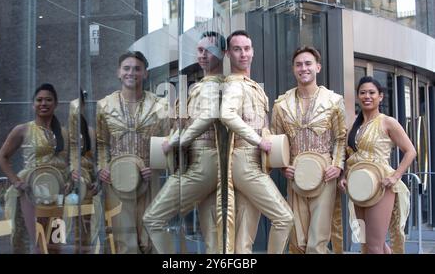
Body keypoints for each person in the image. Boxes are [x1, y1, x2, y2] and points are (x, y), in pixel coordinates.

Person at [143, 31, 226, 254]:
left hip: (203, 163)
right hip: (205, 161)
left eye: (209, 50)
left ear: (222, 53)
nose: (203, 55)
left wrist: (177, 141)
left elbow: (208, 115)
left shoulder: (212, 85)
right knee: (212, 235)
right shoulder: (206, 84)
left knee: (153, 218)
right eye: (199, 50)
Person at [220, 30, 294, 254]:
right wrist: (259, 141)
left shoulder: (252, 85)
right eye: (237, 49)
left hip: (254, 162)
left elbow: (264, 126)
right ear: (228, 54)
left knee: (244, 232)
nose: (243, 54)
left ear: (252, 51)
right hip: (245, 162)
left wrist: (275, 159)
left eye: (246, 48)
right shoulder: (234, 84)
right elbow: (226, 114)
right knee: (284, 218)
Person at [271, 46, 346, 254]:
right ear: (293, 69)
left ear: (318, 67)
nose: (303, 68)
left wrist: (337, 165)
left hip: (324, 175)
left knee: (317, 243)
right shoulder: (281, 104)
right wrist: (282, 167)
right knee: (298, 241)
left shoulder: (334, 101)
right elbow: (276, 140)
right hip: (295, 175)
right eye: (298, 64)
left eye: (308, 63)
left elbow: (341, 138)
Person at [96, 51, 170, 254]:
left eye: (137, 69)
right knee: (122, 239)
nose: (131, 73)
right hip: (116, 179)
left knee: (151, 237)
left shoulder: (160, 105)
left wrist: (155, 166)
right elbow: (102, 143)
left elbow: (166, 141)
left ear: (145, 73)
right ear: (118, 73)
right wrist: (102, 167)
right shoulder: (104, 106)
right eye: (126, 68)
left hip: (149, 176)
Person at [339, 76, 416, 254]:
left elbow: (410, 151)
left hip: (381, 186)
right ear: (358, 96)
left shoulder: (387, 122)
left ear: (380, 96)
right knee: (370, 244)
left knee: (374, 246)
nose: (367, 96)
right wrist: (343, 177)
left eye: (372, 93)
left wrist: (396, 176)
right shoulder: (354, 126)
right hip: (358, 188)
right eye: (363, 92)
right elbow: (352, 157)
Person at [0, 83, 68, 253]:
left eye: (48, 100)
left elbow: (70, 162)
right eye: (39, 100)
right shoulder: (23, 129)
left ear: (55, 104)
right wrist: (16, 181)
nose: (43, 103)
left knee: (55, 242)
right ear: (33, 104)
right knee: (39, 242)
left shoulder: (64, 132)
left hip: (57, 191)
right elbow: (2, 157)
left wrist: (70, 180)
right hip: (31, 190)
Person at [66, 89, 101, 252]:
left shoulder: (90, 132)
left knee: (85, 227)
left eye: (81, 102)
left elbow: (96, 159)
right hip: (70, 185)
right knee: (69, 230)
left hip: (87, 184)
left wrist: (97, 181)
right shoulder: (65, 133)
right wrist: (70, 172)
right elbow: (61, 160)